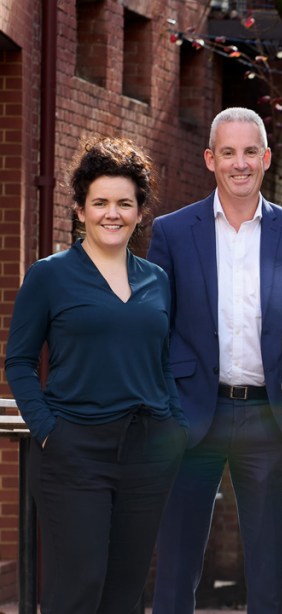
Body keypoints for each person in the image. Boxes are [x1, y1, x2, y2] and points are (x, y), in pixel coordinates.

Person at [4, 137, 188, 613]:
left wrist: (173, 424)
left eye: (125, 203)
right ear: (80, 209)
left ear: (140, 211)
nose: (113, 213)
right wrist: (47, 430)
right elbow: (19, 361)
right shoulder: (50, 275)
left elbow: (163, 359)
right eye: (101, 202)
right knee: (79, 585)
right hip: (73, 452)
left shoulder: (156, 279)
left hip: (147, 450)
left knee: (124, 593)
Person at [148, 107, 282, 614]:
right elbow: (157, 325)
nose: (239, 163)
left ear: (266, 158)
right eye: (228, 152)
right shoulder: (173, 232)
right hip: (193, 413)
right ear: (210, 159)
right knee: (177, 560)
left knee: (269, 563)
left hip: (267, 417)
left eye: (249, 152)